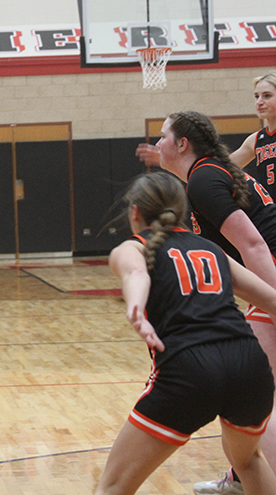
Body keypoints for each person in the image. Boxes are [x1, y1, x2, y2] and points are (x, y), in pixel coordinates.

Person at [96, 171, 276, 495]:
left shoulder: (132, 247)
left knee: (112, 486)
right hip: (249, 365)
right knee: (248, 461)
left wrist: (135, 308)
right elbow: (273, 300)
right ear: (182, 211)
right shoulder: (212, 249)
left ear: (134, 212)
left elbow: (136, 273)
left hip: (191, 369)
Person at [151, 111, 276, 495]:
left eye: (162, 136)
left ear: (182, 144)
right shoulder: (208, 176)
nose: (156, 144)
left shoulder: (204, 179)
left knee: (258, 394)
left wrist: (273, 304)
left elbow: (253, 244)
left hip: (272, 274)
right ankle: (243, 478)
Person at [136, 72, 276, 196]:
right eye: (257, 96)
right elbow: (218, 174)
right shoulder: (255, 140)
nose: (259, 102)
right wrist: (170, 159)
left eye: (267, 96)